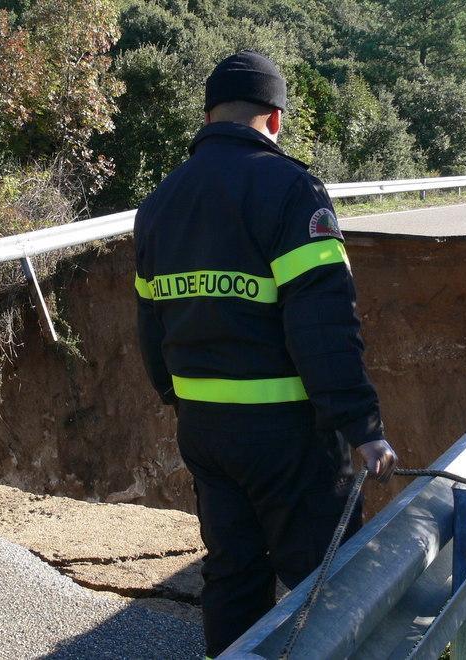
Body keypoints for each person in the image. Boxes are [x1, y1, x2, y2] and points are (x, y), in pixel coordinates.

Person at [133, 50, 398, 658]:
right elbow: (323, 325)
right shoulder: (289, 189)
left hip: (205, 433)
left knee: (233, 575)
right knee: (321, 587)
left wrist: (179, 397)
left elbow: (151, 324)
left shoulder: (160, 203)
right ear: (274, 119)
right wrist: (362, 426)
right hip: (289, 436)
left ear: (208, 115)